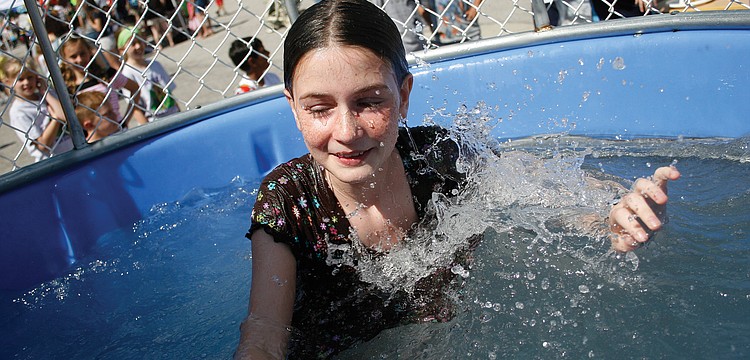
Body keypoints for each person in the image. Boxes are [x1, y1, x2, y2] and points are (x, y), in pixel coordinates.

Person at [234, 0, 680, 358]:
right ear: (293, 107)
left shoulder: (438, 158)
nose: (347, 132)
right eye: (319, 109)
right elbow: (266, 331)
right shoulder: (287, 203)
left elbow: (537, 183)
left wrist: (609, 213)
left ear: (404, 96)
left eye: (370, 102)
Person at [59, 35, 148, 127]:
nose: (80, 59)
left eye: (83, 53)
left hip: (118, 129)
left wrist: (125, 120)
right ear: (65, 60)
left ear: (89, 52)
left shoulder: (106, 75)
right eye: (73, 56)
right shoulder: (68, 89)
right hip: (93, 137)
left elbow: (135, 88)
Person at [1, 57, 73, 162]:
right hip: (53, 160)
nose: (26, 82)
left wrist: (45, 91)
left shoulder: (46, 95)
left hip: (72, 150)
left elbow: (66, 115)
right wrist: (55, 119)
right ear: (8, 82)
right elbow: (43, 145)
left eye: (30, 77)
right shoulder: (18, 112)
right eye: (20, 79)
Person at [117, 27, 180, 121]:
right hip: (154, 121)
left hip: (173, 114)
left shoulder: (155, 65)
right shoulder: (127, 73)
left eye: (140, 41)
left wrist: (179, 111)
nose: (138, 46)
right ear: (122, 50)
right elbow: (135, 108)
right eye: (132, 44)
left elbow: (170, 94)